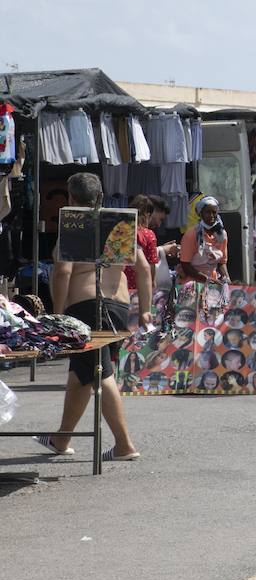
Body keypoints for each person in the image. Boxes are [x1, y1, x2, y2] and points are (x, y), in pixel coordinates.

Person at [35, 173, 153, 462]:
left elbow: (63, 272)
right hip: (118, 308)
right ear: (101, 197)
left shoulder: (72, 227)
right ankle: (61, 439)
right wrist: (146, 308)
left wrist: (57, 313)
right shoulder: (119, 224)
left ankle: (125, 444)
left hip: (86, 309)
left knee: (99, 374)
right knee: (81, 375)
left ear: (71, 199)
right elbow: (144, 269)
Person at [180, 196, 229, 283]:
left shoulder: (222, 235)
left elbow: (222, 262)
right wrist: (206, 279)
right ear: (200, 214)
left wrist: (226, 278)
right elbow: (185, 265)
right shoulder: (191, 235)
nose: (211, 216)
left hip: (213, 281)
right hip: (192, 283)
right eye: (207, 212)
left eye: (214, 212)